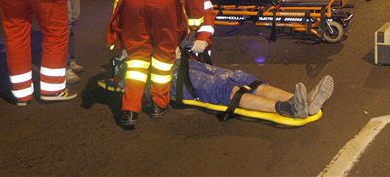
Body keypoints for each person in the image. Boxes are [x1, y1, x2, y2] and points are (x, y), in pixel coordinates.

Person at [106, 0, 216, 129]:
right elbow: (202, 9)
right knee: (163, 57)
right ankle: (159, 104)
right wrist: (198, 36)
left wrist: (122, 36)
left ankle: (130, 109)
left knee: (136, 59)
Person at [99, 47, 335, 124]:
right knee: (224, 90)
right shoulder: (126, 64)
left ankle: (303, 101)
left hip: (186, 65)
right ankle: (287, 108)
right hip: (176, 81)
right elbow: (130, 84)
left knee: (242, 78)